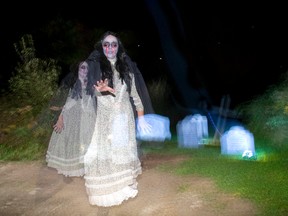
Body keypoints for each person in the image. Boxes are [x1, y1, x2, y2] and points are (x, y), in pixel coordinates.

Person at [83, 31, 154, 207]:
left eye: (113, 44)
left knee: (122, 153)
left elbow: (135, 96)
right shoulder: (96, 68)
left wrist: (142, 119)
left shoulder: (127, 70)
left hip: (123, 119)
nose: (110, 48)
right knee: (104, 153)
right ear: (102, 47)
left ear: (118, 47)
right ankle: (108, 192)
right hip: (105, 119)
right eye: (106, 44)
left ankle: (122, 189)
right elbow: (91, 93)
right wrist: (102, 89)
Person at [46, 61, 96, 177]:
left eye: (87, 68)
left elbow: (98, 98)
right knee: (77, 142)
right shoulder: (75, 85)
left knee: (90, 142)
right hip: (77, 119)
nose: (85, 70)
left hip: (90, 118)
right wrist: (60, 117)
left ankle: (90, 168)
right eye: (82, 68)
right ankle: (79, 168)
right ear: (78, 70)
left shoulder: (92, 84)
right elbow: (69, 103)